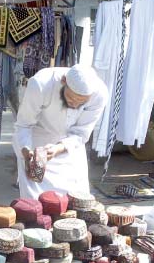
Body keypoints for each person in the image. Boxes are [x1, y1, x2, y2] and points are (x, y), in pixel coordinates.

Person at [12, 65, 108, 199]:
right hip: (37, 143)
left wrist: (59, 148)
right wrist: (27, 152)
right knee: (35, 205)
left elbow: (81, 133)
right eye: (71, 98)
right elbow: (23, 125)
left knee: (77, 201)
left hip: (70, 146)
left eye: (81, 102)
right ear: (63, 81)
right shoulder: (41, 84)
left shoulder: (99, 94)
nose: (75, 105)